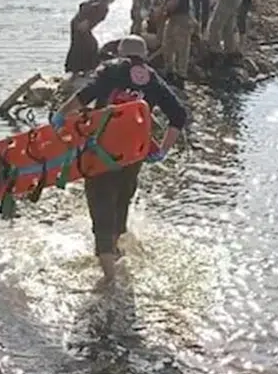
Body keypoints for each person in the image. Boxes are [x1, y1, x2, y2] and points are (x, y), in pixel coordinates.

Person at [50, 35, 189, 287]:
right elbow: (179, 116)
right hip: (132, 155)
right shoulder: (152, 79)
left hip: (101, 151)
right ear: (144, 55)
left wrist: (60, 116)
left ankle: (109, 277)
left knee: (100, 205)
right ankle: (117, 253)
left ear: (121, 53)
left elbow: (84, 95)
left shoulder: (111, 70)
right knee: (121, 201)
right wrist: (163, 150)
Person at [64, 0, 118, 76]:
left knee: (79, 45)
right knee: (90, 46)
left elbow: (82, 5)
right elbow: (91, 8)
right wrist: (86, 22)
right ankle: (85, 69)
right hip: (82, 24)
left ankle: (76, 70)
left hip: (76, 23)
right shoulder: (103, 5)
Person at [158, 0, 193, 87]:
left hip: (182, 18)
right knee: (167, 46)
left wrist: (163, 10)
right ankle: (169, 72)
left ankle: (181, 76)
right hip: (171, 18)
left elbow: (174, 1)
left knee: (181, 48)